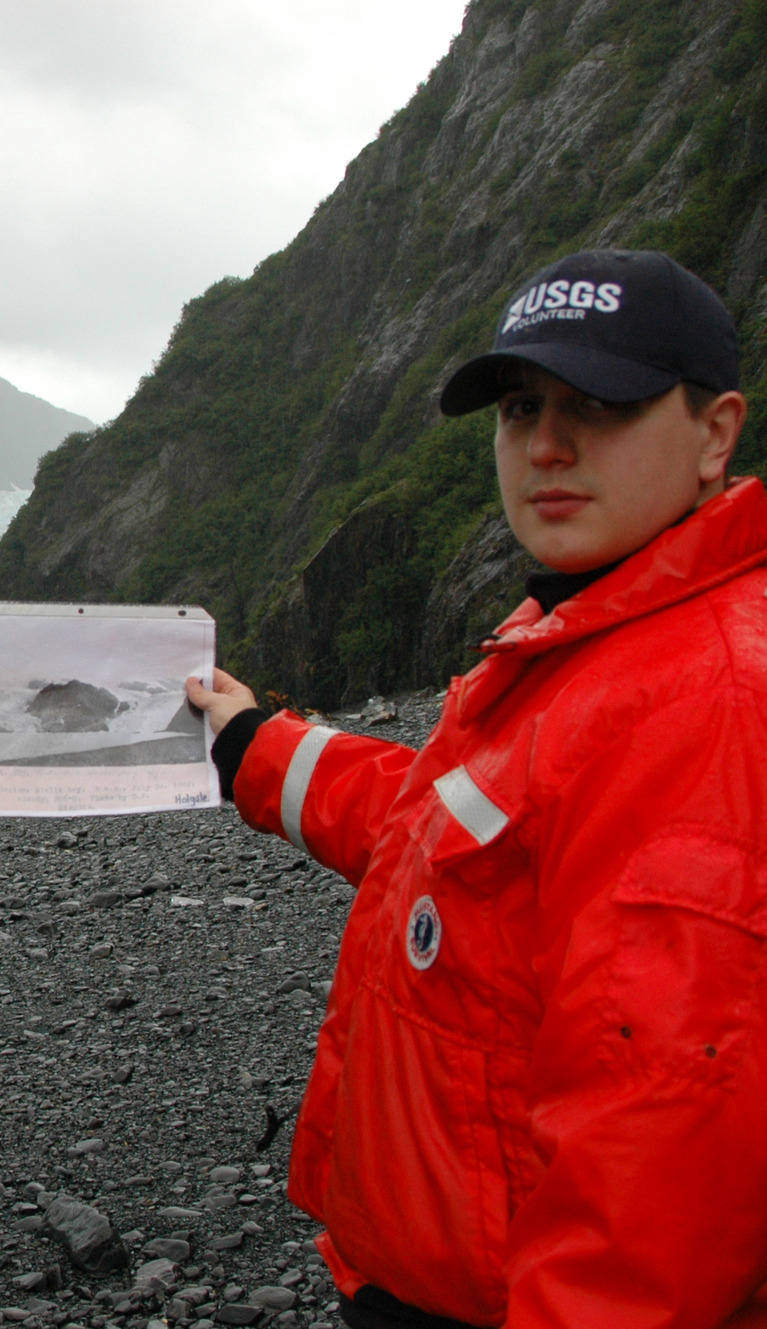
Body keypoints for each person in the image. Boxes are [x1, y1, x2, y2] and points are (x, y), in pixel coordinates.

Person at [182, 248, 767, 1329]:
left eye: (600, 404)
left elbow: (656, 1160)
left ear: (715, 431)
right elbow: (453, 828)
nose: (545, 444)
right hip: (441, 1273)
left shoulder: (710, 700)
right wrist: (253, 744)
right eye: (517, 408)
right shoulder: (609, 638)